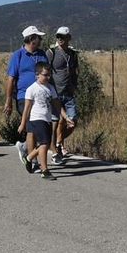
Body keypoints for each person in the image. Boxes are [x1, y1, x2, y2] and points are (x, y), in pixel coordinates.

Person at [4, 26, 49, 165]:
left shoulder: (42, 54)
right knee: (32, 126)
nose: (41, 40)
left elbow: (47, 75)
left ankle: (24, 146)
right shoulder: (18, 55)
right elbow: (11, 79)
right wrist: (8, 101)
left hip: (41, 95)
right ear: (31, 39)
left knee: (38, 126)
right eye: (38, 37)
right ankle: (32, 159)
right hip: (24, 96)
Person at [18, 62, 58, 180]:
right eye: (45, 75)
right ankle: (44, 170)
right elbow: (26, 108)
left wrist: (64, 116)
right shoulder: (32, 89)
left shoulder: (50, 88)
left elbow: (56, 102)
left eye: (49, 75)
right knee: (45, 143)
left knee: (44, 144)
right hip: (36, 118)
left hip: (47, 119)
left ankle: (29, 158)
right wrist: (23, 123)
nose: (48, 77)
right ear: (37, 75)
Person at [46, 26, 79, 164]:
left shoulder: (72, 54)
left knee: (72, 121)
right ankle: (55, 150)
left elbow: (76, 70)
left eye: (62, 37)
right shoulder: (51, 52)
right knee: (58, 122)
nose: (59, 39)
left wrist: (74, 85)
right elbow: (45, 71)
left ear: (68, 38)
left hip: (68, 93)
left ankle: (58, 143)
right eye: (57, 36)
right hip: (55, 93)